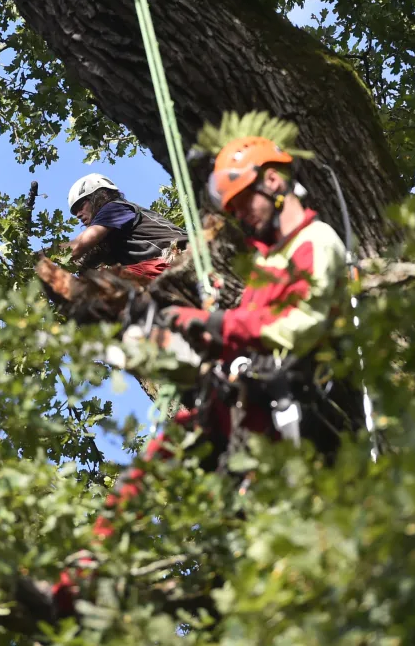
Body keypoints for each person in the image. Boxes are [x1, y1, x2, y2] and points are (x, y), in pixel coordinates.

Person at [49, 135, 363, 618]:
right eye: (232, 208)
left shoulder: (315, 241)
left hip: (287, 397)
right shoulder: (266, 265)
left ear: (274, 182)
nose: (242, 216)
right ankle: (81, 576)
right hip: (241, 396)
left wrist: (214, 325)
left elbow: (297, 326)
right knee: (158, 457)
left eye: (244, 202)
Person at [66, 173, 187, 280]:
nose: (78, 215)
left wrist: (54, 254)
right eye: (75, 212)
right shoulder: (108, 239)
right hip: (164, 269)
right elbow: (80, 261)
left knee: (111, 280)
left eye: (81, 206)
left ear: (97, 197)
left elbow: (77, 247)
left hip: (181, 256)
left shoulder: (114, 209)